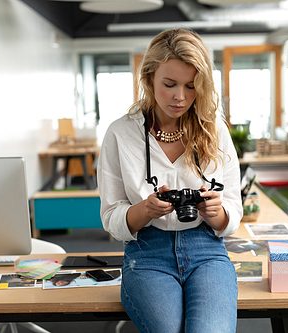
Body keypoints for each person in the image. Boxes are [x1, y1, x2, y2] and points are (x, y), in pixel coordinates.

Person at [98, 28, 242, 333]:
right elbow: (111, 217)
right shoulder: (120, 134)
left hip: (207, 249)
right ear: (149, 78)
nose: (180, 97)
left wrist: (218, 213)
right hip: (148, 251)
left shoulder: (214, 130)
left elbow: (233, 212)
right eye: (169, 84)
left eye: (191, 86)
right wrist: (146, 210)